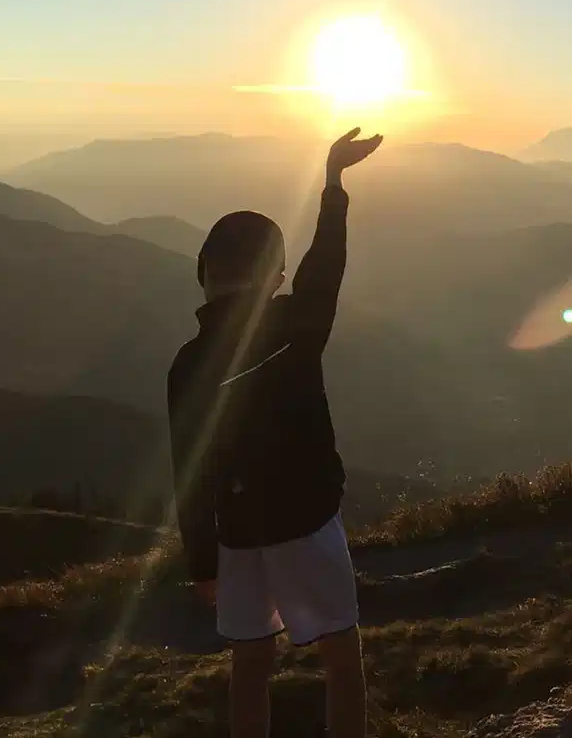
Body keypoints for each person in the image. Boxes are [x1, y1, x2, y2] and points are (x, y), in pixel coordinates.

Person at [168, 126, 383, 738]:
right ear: (276, 277)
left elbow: (188, 468)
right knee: (341, 660)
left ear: (204, 275)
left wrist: (201, 564)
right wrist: (334, 183)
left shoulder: (187, 364)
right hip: (307, 522)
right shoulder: (296, 325)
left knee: (251, 663)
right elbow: (328, 266)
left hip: (237, 538)